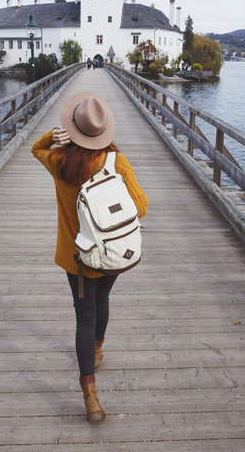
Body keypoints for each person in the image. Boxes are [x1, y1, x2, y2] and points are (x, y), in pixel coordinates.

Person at [31, 92, 148, 423]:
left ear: (72, 129)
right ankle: (97, 350)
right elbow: (140, 207)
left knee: (83, 316)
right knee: (102, 300)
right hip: (113, 254)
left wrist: (51, 137)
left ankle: (91, 398)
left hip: (77, 258)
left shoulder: (59, 162)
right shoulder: (116, 162)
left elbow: (36, 149)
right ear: (103, 131)